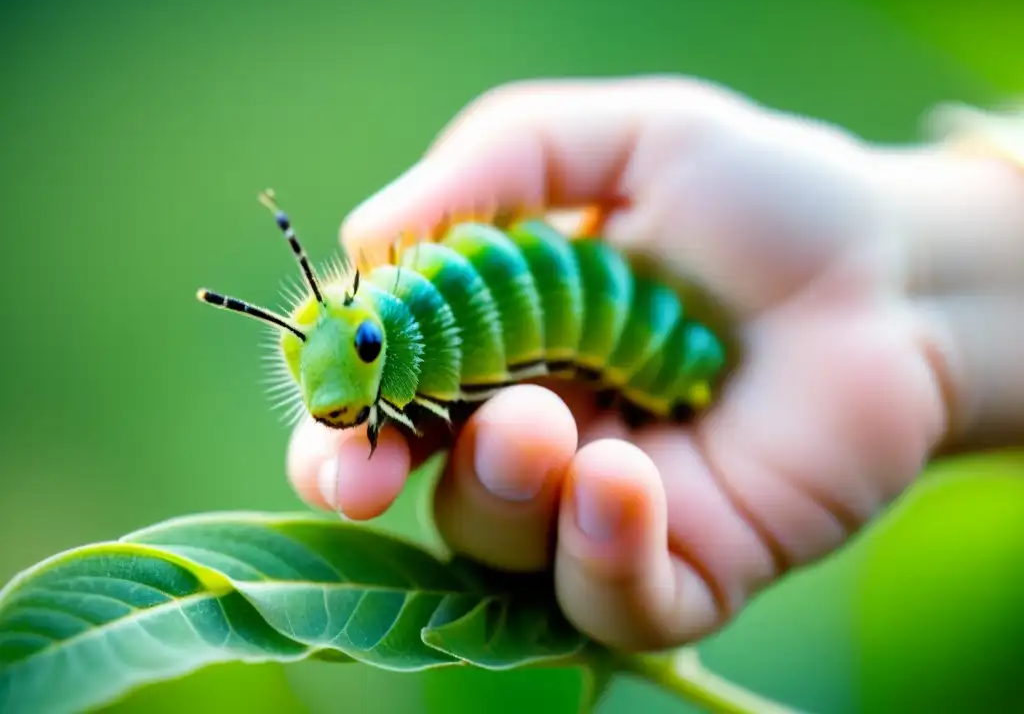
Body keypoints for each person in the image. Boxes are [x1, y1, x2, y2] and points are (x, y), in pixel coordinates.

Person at [284, 76, 1024, 652]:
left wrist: (926, 273)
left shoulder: (433, 325)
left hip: (667, 348)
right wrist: (931, 289)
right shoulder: (400, 333)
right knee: (527, 454)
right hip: (639, 341)